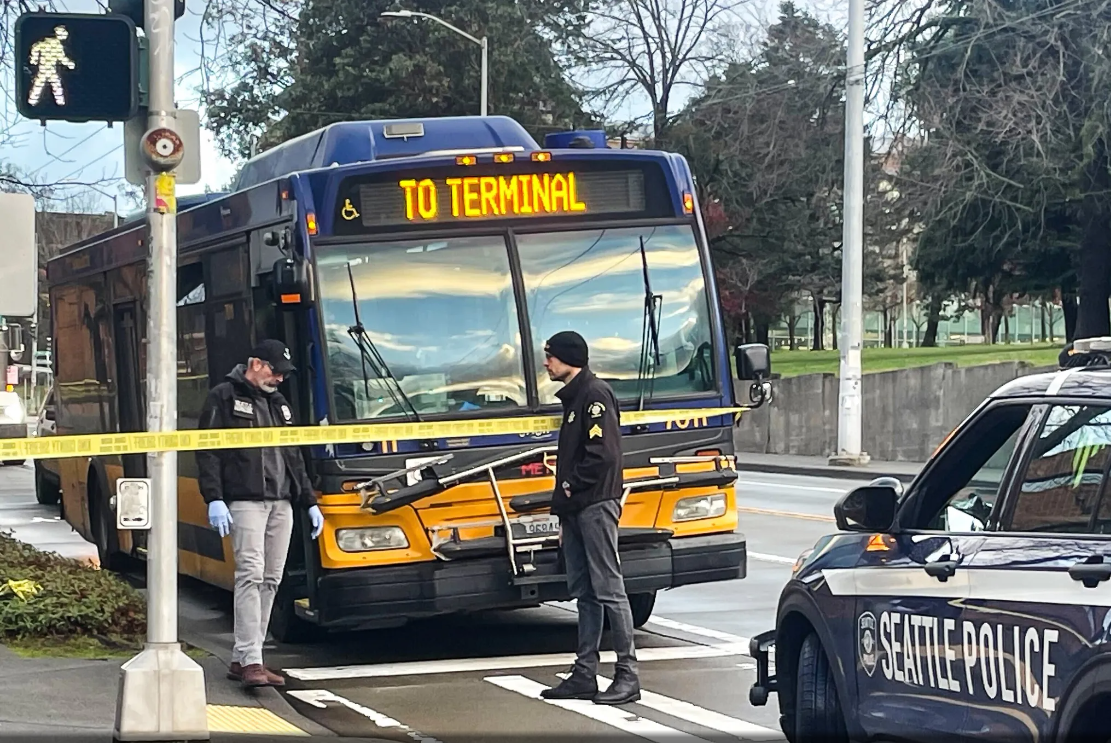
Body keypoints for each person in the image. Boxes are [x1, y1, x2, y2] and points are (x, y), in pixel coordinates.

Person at [196, 339, 324, 689]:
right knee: (250, 576)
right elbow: (207, 451)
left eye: (283, 373)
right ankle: (252, 659)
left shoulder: (280, 405)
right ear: (255, 363)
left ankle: (246, 656)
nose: (280, 378)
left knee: (271, 579)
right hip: (246, 502)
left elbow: (292, 456)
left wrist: (309, 501)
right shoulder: (222, 397)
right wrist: (214, 497)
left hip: (281, 502)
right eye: (275, 370)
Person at [539, 330, 641, 706]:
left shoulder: (594, 395)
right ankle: (585, 673)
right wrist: (566, 508)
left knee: (609, 589)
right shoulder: (575, 397)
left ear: (568, 358)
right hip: (578, 509)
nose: (546, 363)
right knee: (585, 592)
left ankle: (628, 674)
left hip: (595, 504)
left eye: (550, 356)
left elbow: (603, 455)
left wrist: (569, 487)